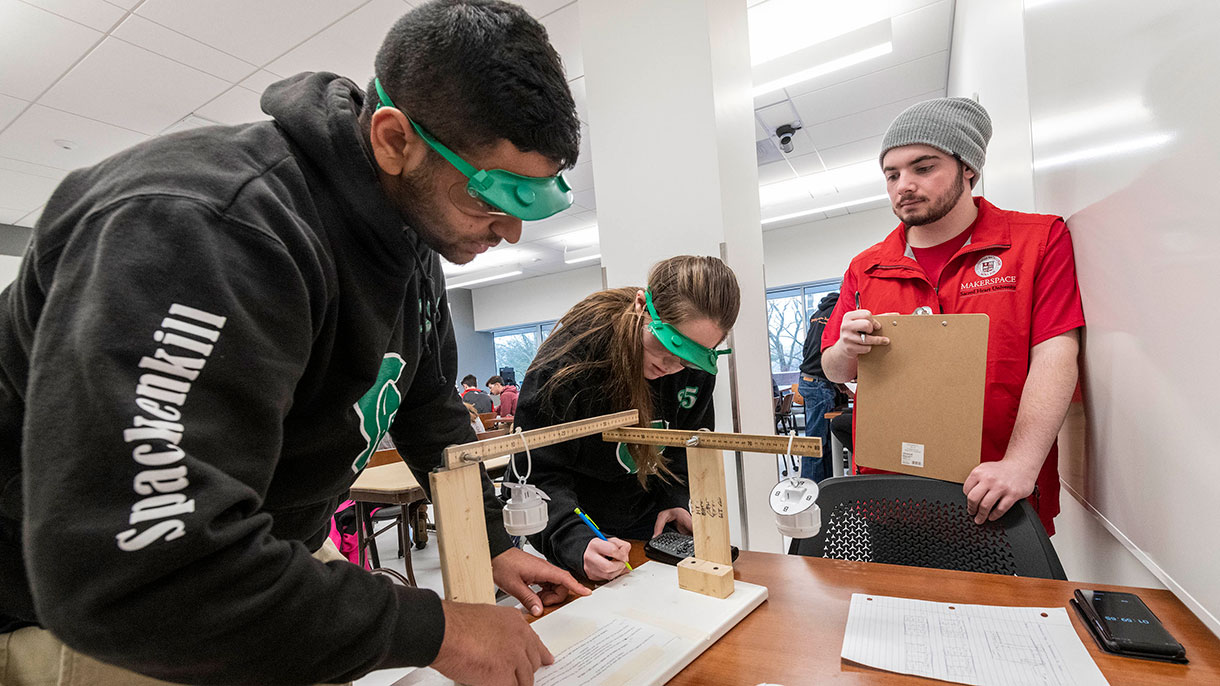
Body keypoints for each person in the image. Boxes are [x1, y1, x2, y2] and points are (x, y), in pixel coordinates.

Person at [0, 2, 592, 685]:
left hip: (250, 548)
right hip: (91, 602)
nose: (509, 233)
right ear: (396, 140)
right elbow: (136, 571)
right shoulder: (203, 229)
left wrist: (491, 540)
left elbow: (430, 410)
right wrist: (434, 628)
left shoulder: (415, 235)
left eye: (529, 206)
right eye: (492, 198)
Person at [821, 97, 1085, 535]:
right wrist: (846, 347)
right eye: (892, 174)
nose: (903, 184)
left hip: (996, 492)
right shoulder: (866, 266)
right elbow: (834, 369)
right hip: (891, 495)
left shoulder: (1035, 242)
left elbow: (1056, 354)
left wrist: (1020, 463)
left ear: (969, 168)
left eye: (923, 168)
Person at [513, 256, 741, 581]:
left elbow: (684, 448)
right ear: (640, 305)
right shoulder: (568, 364)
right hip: (577, 524)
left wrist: (675, 500)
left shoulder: (696, 371)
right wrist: (575, 541)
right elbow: (539, 475)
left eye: (689, 358)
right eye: (665, 344)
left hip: (649, 525)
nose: (671, 365)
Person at [797, 292, 845, 482]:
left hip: (809, 379)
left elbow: (807, 348)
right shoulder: (838, 313)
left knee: (818, 440)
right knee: (817, 443)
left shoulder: (817, 314)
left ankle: (824, 485)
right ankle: (811, 489)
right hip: (819, 382)